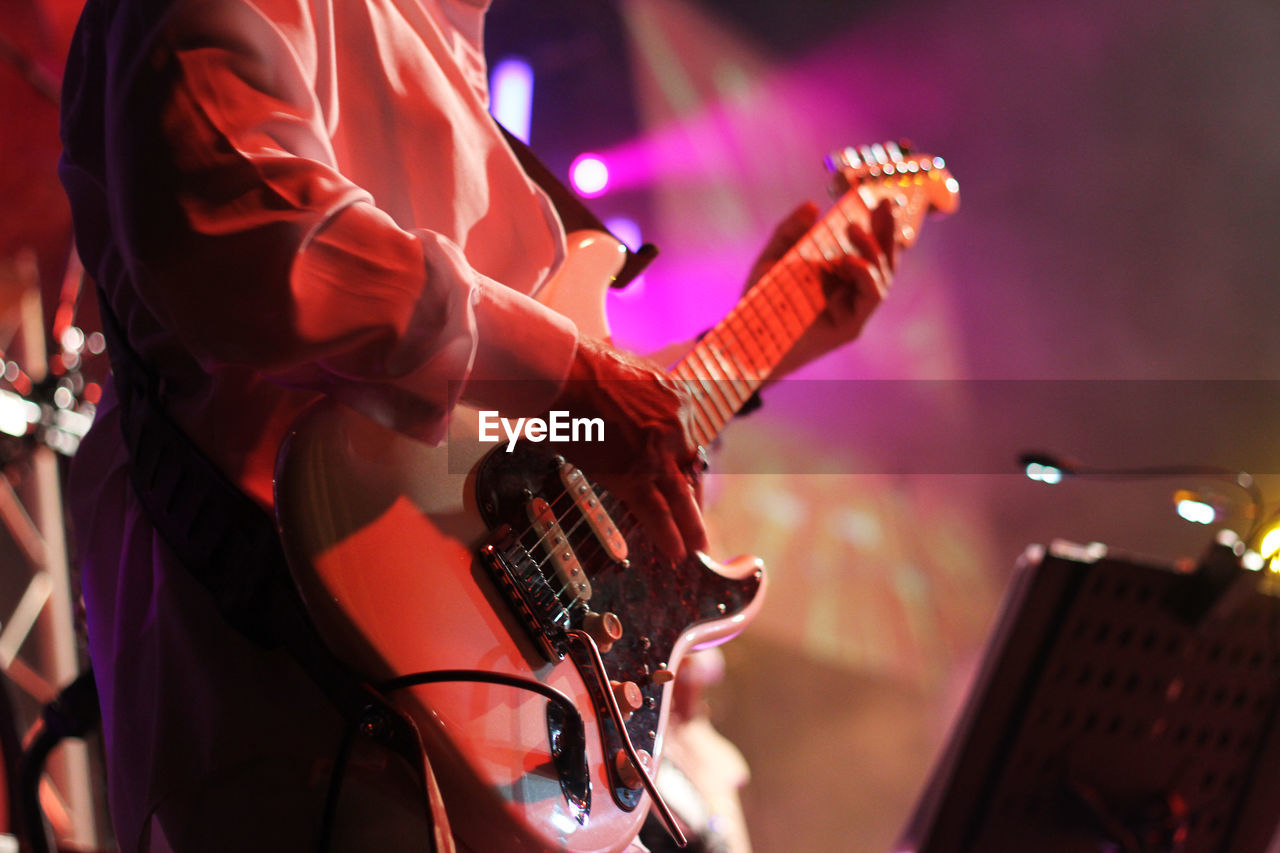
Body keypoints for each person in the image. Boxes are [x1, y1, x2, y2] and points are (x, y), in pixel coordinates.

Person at [58, 0, 896, 849]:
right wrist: (578, 381)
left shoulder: (445, 41)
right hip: (287, 701)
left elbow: (487, 425)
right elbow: (251, 241)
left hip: (467, 698)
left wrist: (756, 343)